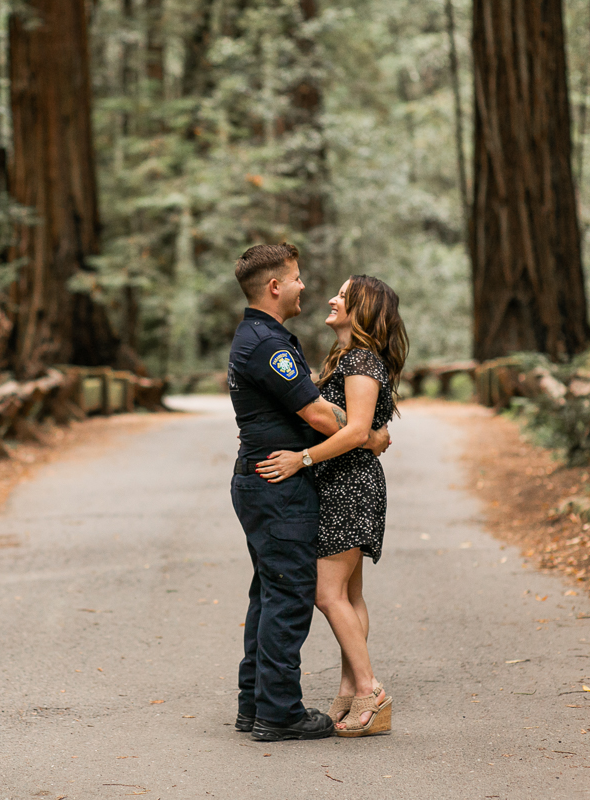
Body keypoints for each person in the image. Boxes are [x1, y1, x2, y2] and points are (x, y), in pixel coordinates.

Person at [227, 244, 390, 743]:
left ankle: (256, 704)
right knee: (291, 595)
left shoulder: (266, 338)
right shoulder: (267, 344)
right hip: (277, 482)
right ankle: (278, 713)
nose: (305, 286)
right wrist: (367, 432)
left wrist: (360, 430)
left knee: (271, 592)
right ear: (275, 286)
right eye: (297, 278)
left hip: (272, 479)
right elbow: (320, 416)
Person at [255, 274, 408, 738]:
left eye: (343, 296)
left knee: (326, 594)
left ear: (363, 310)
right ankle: (348, 689)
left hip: (349, 486)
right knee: (349, 595)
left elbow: (358, 430)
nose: (331, 299)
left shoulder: (360, 359)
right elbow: (361, 431)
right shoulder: (348, 357)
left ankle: (369, 689)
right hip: (344, 481)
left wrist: (301, 459)